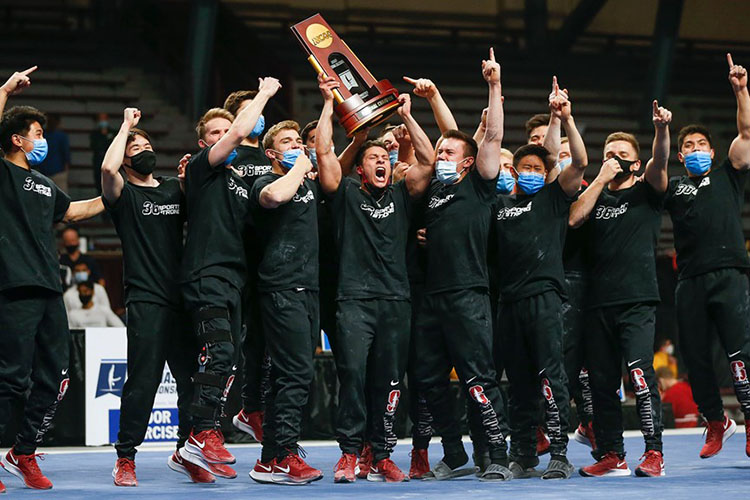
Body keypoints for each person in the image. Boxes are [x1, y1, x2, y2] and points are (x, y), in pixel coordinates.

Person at [316, 74, 435, 483]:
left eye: (385, 156)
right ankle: (350, 454)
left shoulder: (402, 194)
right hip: (353, 301)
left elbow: (428, 161)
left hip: (396, 300)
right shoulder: (346, 194)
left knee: (389, 382)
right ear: (361, 168)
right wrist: (329, 104)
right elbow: (325, 156)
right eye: (373, 157)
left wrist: (407, 115)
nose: (382, 160)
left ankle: (382, 454)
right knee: (352, 376)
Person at [99, 108, 217, 486]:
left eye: (149, 145)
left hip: (182, 297)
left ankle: (186, 451)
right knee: (143, 381)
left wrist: (189, 178)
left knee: (191, 381)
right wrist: (125, 128)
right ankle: (125, 457)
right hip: (146, 299)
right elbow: (106, 170)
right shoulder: (123, 193)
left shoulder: (171, 188)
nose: (145, 150)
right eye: (137, 147)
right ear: (126, 156)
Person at [0, 67, 104, 493]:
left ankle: (23, 453)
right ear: (16, 139)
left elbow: (75, 212)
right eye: (36, 133)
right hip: (14, 288)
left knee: (56, 376)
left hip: (48, 290)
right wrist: (5, 89)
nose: (43, 140)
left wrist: (122, 193)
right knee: (10, 378)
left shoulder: (43, 184)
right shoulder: (2, 175)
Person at [413, 48, 512, 483]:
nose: (441, 154)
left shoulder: (478, 184)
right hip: (431, 298)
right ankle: (454, 453)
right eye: (439, 150)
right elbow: (442, 139)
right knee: (428, 380)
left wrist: (493, 85)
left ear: (468, 162)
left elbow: (488, 138)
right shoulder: (433, 191)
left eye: (449, 150)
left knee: (478, 378)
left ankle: (496, 453)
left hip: (468, 293)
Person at [178, 77, 281, 474]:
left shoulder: (240, 180)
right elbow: (241, 130)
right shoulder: (204, 167)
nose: (226, 136)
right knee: (218, 353)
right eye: (215, 133)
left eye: (226, 130)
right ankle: (202, 432)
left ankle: (197, 442)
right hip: (207, 273)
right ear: (204, 143)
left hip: (235, 278)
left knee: (230, 360)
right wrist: (265, 94)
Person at [571, 101, 673, 478]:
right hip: (598, 303)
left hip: (637, 299)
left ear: (635, 161)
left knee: (640, 374)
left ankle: (654, 452)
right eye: (609, 154)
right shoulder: (595, 196)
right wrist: (599, 179)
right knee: (601, 383)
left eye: (622, 155)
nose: (615, 159)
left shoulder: (648, 191)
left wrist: (661, 130)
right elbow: (574, 218)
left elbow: (660, 164)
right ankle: (613, 452)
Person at [493, 78, 587, 480]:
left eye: (538, 167)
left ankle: (560, 455)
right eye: (525, 167)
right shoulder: (499, 205)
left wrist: (563, 118)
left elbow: (579, 162)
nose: (531, 172)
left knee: (551, 377)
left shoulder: (551, 198)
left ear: (546, 173)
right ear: (514, 171)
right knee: (517, 383)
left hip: (545, 299)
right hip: (508, 303)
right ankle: (524, 453)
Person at [663, 53, 750, 460]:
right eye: (688, 146)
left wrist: (741, 90)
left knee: (739, 353)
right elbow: (652, 173)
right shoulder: (675, 185)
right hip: (690, 280)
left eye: (700, 144)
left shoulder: (729, 174)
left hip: (730, 274)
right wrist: (663, 132)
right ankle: (716, 422)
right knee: (695, 357)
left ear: (713, 152)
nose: (695, 149)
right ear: (680, 156)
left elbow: (746, 133)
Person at [247, 120, 322, 486]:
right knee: (296, 373)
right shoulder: (266, 182)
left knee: (286, 375)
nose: (297, 145)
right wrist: (299, 166)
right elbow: (273, 198)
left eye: (298, 140)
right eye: (287, 142)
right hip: (280, 287)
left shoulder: (306, 182)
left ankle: (270, 459)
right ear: (272, 154)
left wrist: (326, 105)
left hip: (307, 289)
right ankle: (286, 455)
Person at [222, 90, 272, 443]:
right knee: (224, 348)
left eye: (260, 108)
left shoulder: (273, 157)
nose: (257, 115)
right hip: (231, 262)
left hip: (269, 264)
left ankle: (251, 409)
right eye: (248, 111)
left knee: (262, 344)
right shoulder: (226, 155)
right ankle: (205, 429)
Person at [36, 113, 69, 192]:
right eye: (49, 121)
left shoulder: (61, 136)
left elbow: (66, 154)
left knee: (61, 198)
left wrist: (65, 173)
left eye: (52, 121)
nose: (50, 123)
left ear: (57, 122)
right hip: (43, 172)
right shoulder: (43, 136)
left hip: (59, 173)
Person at [90, 112, 117, 193]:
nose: (103, 121)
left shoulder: (113, 132)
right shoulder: (94, 133)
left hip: (111, 161)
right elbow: (93, 146)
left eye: (104, 119)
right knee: (99, 182)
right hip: (98, 160)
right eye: (101, 119)